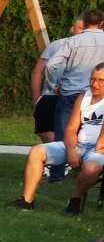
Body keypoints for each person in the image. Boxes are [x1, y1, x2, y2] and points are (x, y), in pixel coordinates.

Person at [12, 62, 104, 214]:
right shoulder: (83, 97)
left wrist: (98, 147)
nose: (95, 84)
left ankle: (75, 199)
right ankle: (27, 201)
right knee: (36, 151)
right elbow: (71, 129)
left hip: (99, 149)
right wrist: (71, 150)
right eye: (92, 79)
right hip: (79, 144)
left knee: (91, 168)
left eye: (101, 80)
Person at [44, 9, 104, 177]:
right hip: (98, 93)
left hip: (71, 92)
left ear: (84, 22)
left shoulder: (73, 41)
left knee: (64, 133)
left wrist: (53, 83)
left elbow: (51, 65)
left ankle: (57, 174)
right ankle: (89, 168)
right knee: (95, 130)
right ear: (102, 23)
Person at [33, 17, 83, 146]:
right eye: (80, 28)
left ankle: (63, 153)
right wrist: (36, 98)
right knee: (44, 128)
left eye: (85, 29)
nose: (82, 32)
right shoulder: (57, 45)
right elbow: (38, 71)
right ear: (72, 29)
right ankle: (57, 151)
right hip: (50, 95)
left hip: (76, 96)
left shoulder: (92, 49)